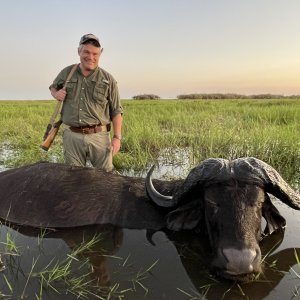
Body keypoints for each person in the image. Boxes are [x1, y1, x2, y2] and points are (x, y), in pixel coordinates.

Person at [49, 34, 123, 172]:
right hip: (72, 136)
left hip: (99, 137)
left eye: (95, 53)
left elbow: (116, 111)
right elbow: (53, 87)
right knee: (74, 178)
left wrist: (117, 137)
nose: (91, 57)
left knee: (106, 178)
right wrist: (56, 93)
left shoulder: (108, 79)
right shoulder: (67, 73)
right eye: (86, 52)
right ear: (79, 51)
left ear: (100, 53)